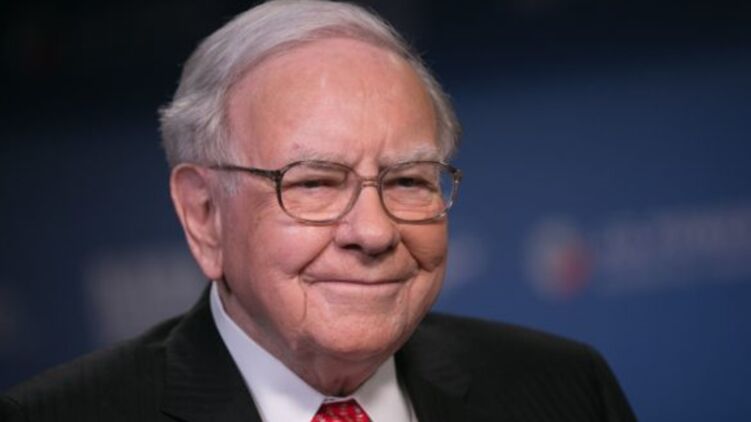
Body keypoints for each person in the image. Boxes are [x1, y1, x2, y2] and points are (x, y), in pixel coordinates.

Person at [1, 1, 636, 421]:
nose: (374, 231)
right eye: (314, 184)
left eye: (408, 180)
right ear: (204, 215)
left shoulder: (564, 390)